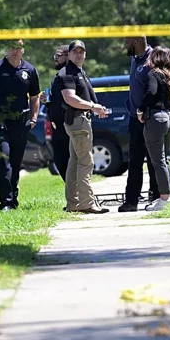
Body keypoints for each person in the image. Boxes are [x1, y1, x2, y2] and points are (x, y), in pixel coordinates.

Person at [0, 40, 41, 211]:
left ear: (23, 50)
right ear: (7, 49)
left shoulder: (29, 70)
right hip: (0, 122)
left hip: (21, 122)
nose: (15, 51)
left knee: (15, 163)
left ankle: (13, 198)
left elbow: (35, 96)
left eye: (18, 48)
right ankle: (5, 202)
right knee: (4, 159)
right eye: (12, 47)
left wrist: (34, 118)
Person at [60, 40, 110, 214]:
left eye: (82, 51)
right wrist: (92, 106)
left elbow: (84, 96)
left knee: (75, 162)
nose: (79, 54)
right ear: (69, 54)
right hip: (78, 122)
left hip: (81, 120)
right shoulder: (67, 73)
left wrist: (96, 109)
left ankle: (73, 203)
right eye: (75, 52)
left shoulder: (80, 72)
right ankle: (87, 203)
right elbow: (70, 98)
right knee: (86, 162)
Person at [136, 45, 170, 212]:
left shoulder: (153, 74)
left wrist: (140, 109)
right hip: (168, 118)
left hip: (156, 118)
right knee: (165, 158)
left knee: (157, 160)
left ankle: (164, 198)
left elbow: (151, 93)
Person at [119, 36, 160, 212]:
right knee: (134, 161)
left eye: (126, 42)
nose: (125, 45)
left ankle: (158, 197)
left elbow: (156, 90)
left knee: (154, 160)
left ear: (135, 42)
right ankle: (131, 201)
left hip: (150, 118)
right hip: (135, 119)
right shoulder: (135, 60)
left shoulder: (154, 59)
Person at [42, 45, 71, 181]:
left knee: (69, 164)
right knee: (61, 163)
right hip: (57, 127)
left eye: (58, 56)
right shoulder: (58, 76)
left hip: (68, 126)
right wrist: (47, 101)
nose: (55, 59)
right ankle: (72, 197)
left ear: (68, 56)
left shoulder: (70, 75)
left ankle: (76, 197)